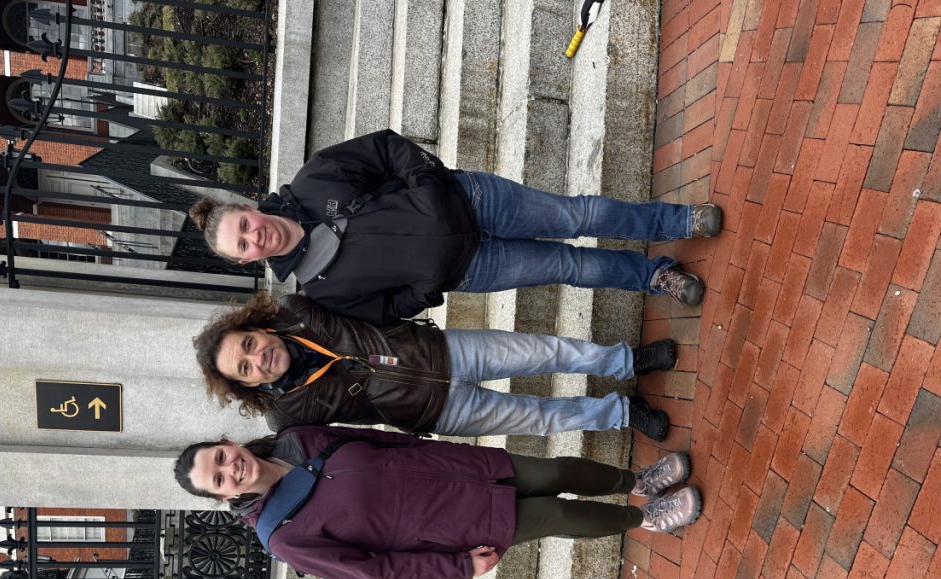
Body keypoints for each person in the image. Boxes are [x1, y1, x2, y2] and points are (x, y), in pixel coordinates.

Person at [188, 130, 721, 325]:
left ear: (250, 209)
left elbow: (385, 148)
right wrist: (426, 288)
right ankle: (656, 277)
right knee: (570, 265)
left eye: (245, 224)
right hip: (472, 269)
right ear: (245, 260)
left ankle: (676, 220)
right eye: (244, 245)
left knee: (577, 215)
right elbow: (385, 311)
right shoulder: (319, 290)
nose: (255, 236)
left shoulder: (312, 179)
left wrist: (430, 183)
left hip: (474, 200)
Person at [174, 425, 702, 579]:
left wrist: (443, 449)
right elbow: (374, 571)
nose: (230, 468)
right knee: (558, 516)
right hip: (452, 524)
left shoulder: (296, 439)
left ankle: (637, 480)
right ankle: (645, 517)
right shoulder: (283, 535)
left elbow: (373, 439)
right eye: (218, 478)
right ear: (223, 496)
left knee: (557, 470)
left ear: (229, 443)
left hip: (456, 471)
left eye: (221, 457)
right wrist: (455, 566)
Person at [195, 291, 679, 441]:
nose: (258, 359)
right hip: (436, 412)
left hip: (443, 350)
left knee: (547, 350)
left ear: (257, 327)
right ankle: (621, 413)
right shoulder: (286, 418)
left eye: (250, 344)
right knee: (541, 418)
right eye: (245, 368)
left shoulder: (295, 311)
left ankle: (629, 360)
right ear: (247, 385)